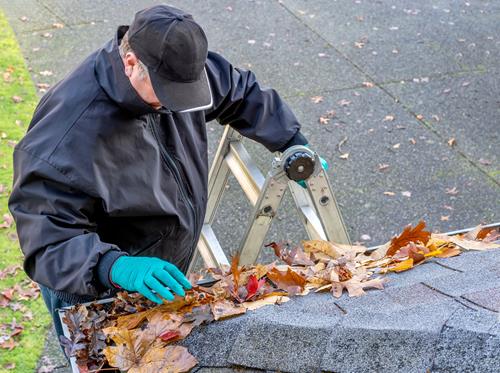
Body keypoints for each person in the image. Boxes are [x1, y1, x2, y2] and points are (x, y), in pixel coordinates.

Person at [8, 4, 325, 342]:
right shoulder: (66, 133)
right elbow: (48, 241)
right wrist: (114, 267)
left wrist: (292, 143)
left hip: (156, 261)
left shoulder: (178, 68)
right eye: (169, 96)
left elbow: (239, 92)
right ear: (131, 64)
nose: (179, 105)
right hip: (91, 282)